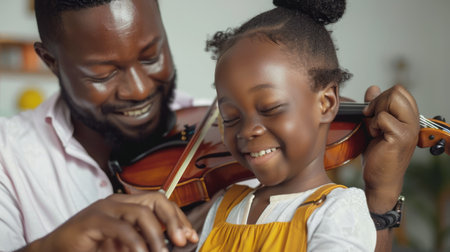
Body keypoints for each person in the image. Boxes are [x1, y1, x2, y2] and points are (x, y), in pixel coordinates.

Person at [0, 0, 419, 251]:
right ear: (51, 62)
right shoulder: (9, 158)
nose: (138, 88)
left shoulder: (208, 128)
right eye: (103, 72)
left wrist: (381, 199)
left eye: (151, 56)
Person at [194, 0, 381, 250]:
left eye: (270, 108)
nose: (248, 130)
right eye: (230, 117)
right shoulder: (224, 206)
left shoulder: (337, 210)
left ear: (325, 103)